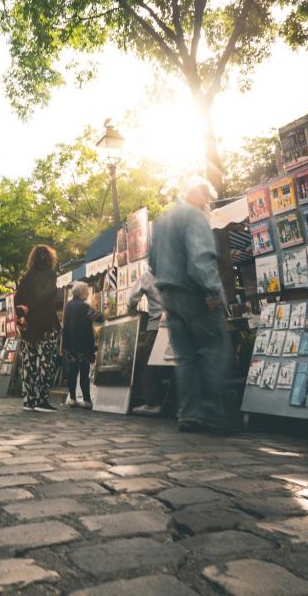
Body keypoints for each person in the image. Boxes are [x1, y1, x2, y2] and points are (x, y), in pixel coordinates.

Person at [149, 177, 240, 433]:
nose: (208, 204)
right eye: (208, 199)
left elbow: (152, 262)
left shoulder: (162, 220)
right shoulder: (195, 216)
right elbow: (200, 256)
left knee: (185, 358)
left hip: (169, 294)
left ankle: (189, 413)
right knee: (212, 350)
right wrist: (212, 291)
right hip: (194, 293)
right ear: (200, 195)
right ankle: (214, 413)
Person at [15, 245, 61, 412]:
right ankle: (42, 400)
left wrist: (23, 313)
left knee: (29, 363)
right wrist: (31, 307)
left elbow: (18, 300)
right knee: (45, 362)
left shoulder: (25, 278)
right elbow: (47, 294)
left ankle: (29, 400)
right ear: (49, 258)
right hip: (46, 324)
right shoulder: (50, 275)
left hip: (28, 327)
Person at [128, 270, 171, 416]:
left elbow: (132, 298)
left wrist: (131, 309)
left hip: (157, 325)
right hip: (180, 323)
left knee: (150, 363)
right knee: (176, 361)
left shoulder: (146, 276)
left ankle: (151, 402)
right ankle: (177, 402)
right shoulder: (175, 269)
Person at [62, 281, 101, 408]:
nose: (88, 294)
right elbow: (98, 318)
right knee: (84, 373)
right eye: (87, 292)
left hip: (70, 344)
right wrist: (103, 311)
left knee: (73, 372)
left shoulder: (68, 306)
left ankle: (72, 398)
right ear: (82, 293)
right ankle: (87, 400)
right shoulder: (84, 307)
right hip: (84, 345)